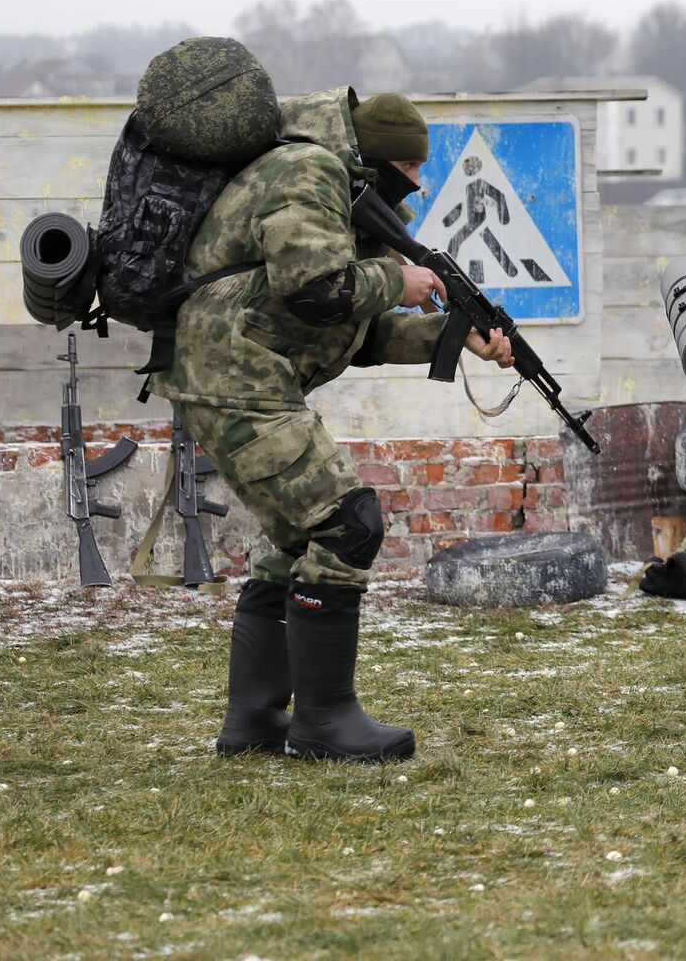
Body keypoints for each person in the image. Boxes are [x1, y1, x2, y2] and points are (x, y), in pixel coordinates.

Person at [152, 89, 515, 763]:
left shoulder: (331, 181)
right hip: (234, 372)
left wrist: (456, 335)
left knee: (300, 536)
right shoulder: (310, 172)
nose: (418, 181)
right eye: (410, 166)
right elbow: (314, 287)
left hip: (237, 371)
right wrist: (394, 276)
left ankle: (255, 720)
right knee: (348, 521)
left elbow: (353, 330)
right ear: (378, 156)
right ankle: (324, 722)